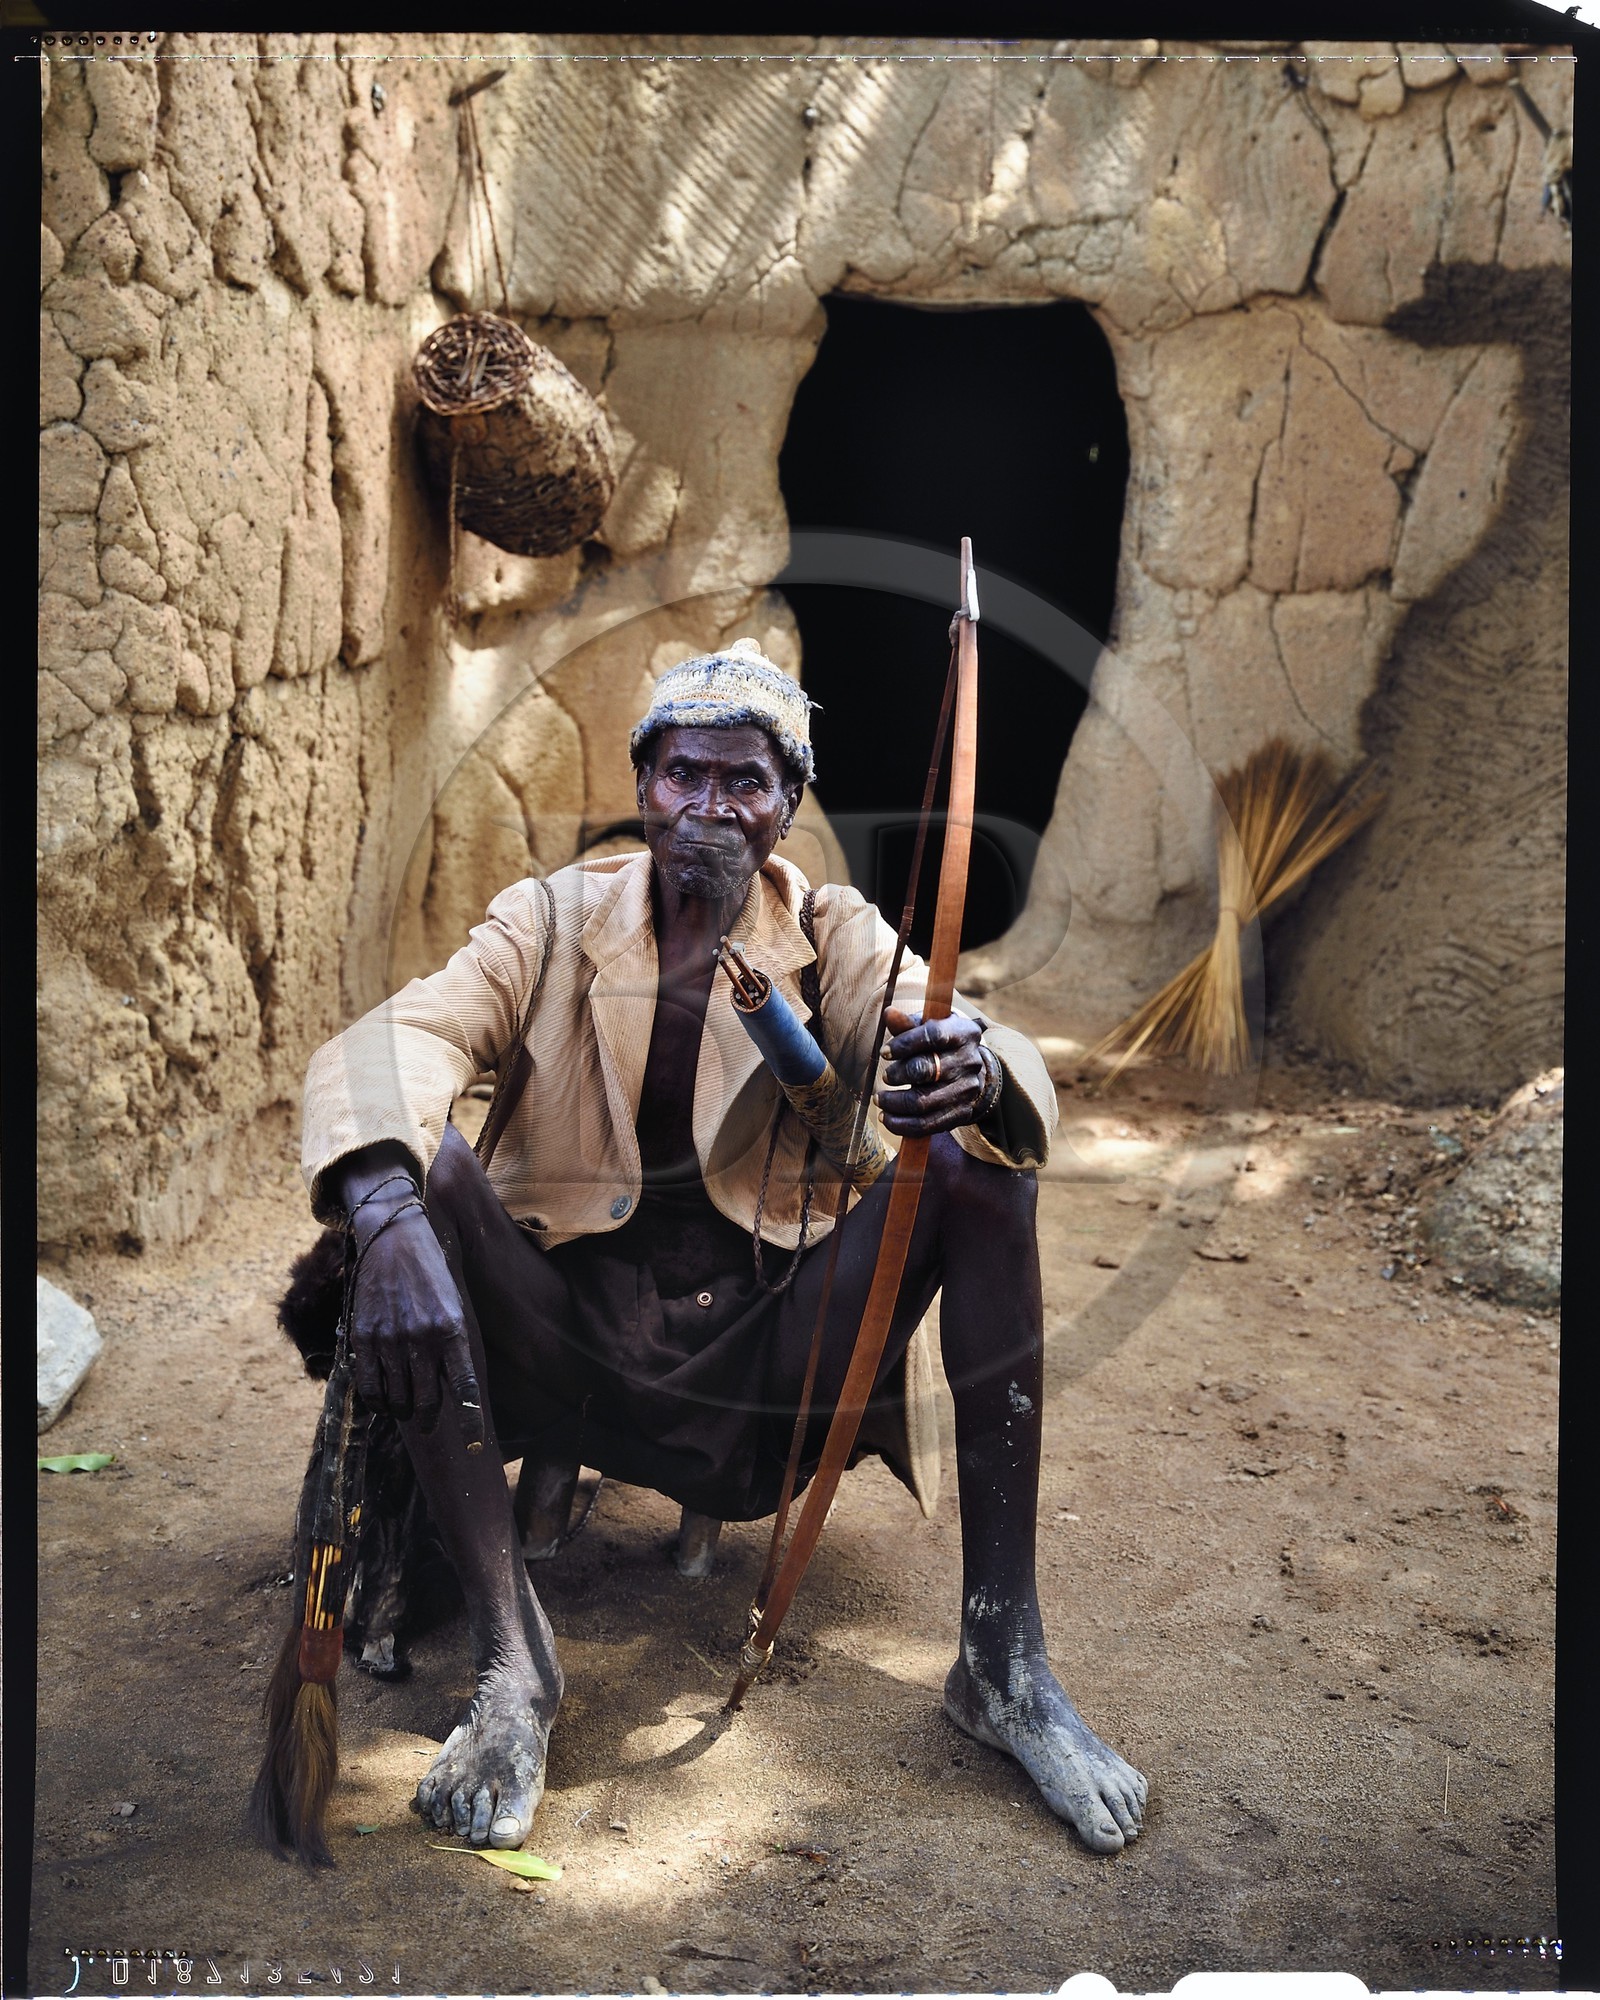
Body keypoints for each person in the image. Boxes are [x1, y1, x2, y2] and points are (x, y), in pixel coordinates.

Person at [299, 639, 1148, 1855]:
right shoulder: (547, 920)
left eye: (743, 780)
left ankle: (1002, 1659)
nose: (708, 809)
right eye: (683, 774)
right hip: (563, 1357)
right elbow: (390, 1042)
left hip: (759, 1377)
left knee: (974, 1169)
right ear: (643, 783)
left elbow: (943, 1017)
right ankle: (511, 1657)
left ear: (785, 802)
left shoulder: (827, 929)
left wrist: (967, 1061)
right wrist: (380, 1216)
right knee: (415, 1173)